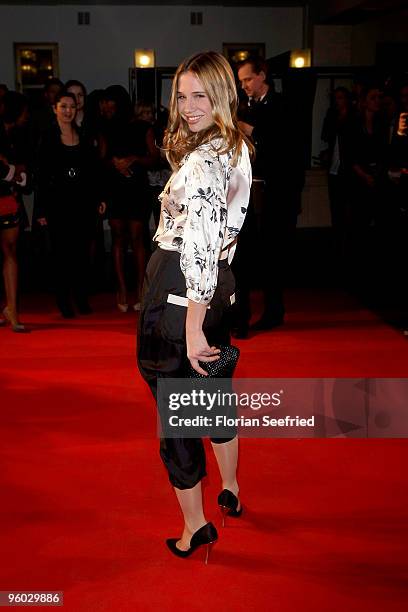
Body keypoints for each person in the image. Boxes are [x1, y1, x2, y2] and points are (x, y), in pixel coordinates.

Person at [137, 51, 252, 561]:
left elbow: (200, 247)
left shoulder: (205, 159)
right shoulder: (235, 147)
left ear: (222, 94)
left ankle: (194, 527)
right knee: (214, 395)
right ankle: (231, 488)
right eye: (181, 96)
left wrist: (192, 327)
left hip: (184, 292)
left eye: (200, 95)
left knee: (177, 414)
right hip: (219, 286)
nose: (187, 106)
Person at [233, 58, 303, 336]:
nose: (244, 85)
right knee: (245, 255)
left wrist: (252, 131)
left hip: (276, 193)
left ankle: (274, 310)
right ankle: (242, 316)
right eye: (241, 81)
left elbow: (288, 147)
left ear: (262, 76)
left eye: (247, 79)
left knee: (273, 254)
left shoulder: (283, 105)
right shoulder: (244, 106)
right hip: (247, 193)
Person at [35, 91, 106, 318]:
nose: (68, 111)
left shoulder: (83, 135)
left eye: (72, 107)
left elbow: (94, 171)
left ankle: (80, 296)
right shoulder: (46, 137)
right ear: (54, 108)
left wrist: (99, 198)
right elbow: (41, 175)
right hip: (57, 204)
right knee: (61, 254)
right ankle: (63, 299)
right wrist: (41, 209)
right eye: (63, 106)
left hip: (83, 202)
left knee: (82, 253)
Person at [100, 87, 159, 312]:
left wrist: (133, 159)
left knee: (137, 238)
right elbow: (100, 160)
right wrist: (115, 164)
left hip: (136, 186)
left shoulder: (144, 127)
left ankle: (140, 289)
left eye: (110, 103)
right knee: (117, 237)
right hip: (115, 187)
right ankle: (122, 289)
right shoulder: (105, 128)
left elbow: (154, 158)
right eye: (105, 103)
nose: (107, 108)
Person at [0, 91, 30, 332]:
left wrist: (18, 175)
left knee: (10, 251)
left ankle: (12, 309)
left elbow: (24, 167)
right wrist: (13, 172)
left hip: (9, 197)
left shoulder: (18, 135)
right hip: (7, 193)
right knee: (9, 252)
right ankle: (10, 309)